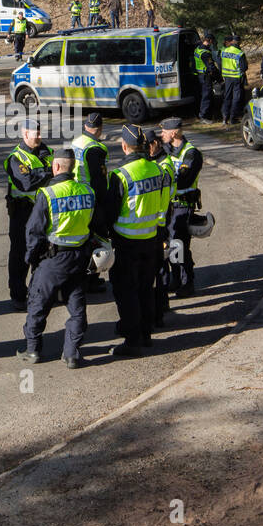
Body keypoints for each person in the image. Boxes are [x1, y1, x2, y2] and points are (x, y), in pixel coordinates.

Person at [19, 150, 99, 368]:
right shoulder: (88, 192)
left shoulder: (48, 194)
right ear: (72, 167)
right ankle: (72, 353)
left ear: (55, 167)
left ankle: (33, 349)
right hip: (79, 258)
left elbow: (34, 231)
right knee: (77, 306)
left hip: (53, 259)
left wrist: (31, 258)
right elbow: (93, 224)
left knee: (39, 303)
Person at [104, 124, 172, 357]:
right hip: (151, 239)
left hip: (127, 242)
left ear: (124, 146)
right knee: (145, 289)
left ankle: (133, 341)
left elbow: (111, 212)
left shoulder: (120, 175)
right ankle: (145, 335)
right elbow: (165, 203)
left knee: (126, 292)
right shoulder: (157, 170)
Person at [4, 118, 53, 311]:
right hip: (22, 213)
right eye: (36, 134)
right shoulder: (16, 158)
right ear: (25, 134)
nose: (40, 137)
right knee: (20, 254)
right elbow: (25, 183)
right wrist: (47, 174)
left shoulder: (45, 151)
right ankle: (18, 294)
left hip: (43, 211)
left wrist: (44, 174)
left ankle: (39, 292)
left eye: (41, 133)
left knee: (42, 252)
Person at [159, 116, 203, 297]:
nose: (161, 135)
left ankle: (187, 282)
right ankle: (175, 278)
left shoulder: (191, 153)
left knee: (179, 244)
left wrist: (165, 179)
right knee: (168, 243)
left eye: (164, 131)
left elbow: (184, 180)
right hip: (168, 205)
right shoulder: (165, 150)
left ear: (174, 133)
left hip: (183, 205)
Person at [70, 111, 108, 293]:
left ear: (86, 126)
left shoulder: (76, 142)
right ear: (99, 129)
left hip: (76, 195)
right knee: (96, 240)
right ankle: (91, 278)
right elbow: (98, 180)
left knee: (82, 238)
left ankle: (81, 278)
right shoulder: (95, 148)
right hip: (91, 199)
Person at [147, 131, 174, 325]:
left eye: (149, 144)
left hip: (163, 221)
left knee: (162, 266)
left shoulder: (164, 165)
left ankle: (162, 302)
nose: (146, 148)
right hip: (157, 221)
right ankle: (160, 303)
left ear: (156, 143)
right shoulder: (155, 162)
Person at [219, 34, 245, 125]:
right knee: (236, 98)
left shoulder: (224, 51)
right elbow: (244, 67)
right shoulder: (239, 53)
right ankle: (233, 118)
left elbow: (220, 63)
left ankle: (225, 117)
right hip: (236, 78)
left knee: (227, 97)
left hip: (227, 78)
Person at [194, 34, 218, 120]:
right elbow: (211, 67)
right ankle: (203, 116)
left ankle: (203, 114)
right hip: (205, 76)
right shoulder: (205, 53)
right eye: (212, 41)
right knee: (206, 96)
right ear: (210, 41)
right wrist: (218, 78)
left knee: (203, 95)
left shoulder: (198, 49)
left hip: (200, 75)